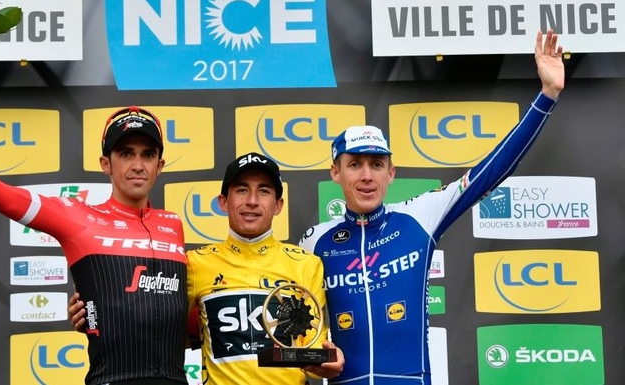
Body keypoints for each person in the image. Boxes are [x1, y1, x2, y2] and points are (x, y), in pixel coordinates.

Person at [298, 28, 567, 385]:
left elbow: (491, 170)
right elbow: (283, 344)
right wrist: (310, 360)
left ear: (391, 172)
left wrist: (547, 96)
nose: (367, 176)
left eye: (376, 165)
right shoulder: (314, 243)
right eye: (355, 164)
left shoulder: (418, 216)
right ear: (336, 172)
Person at [0, 85, 188, 385]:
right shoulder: (78, 217)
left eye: (147, 155)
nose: (137, 165)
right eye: (125, 153)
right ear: (106, 164)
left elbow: (183, 313)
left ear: (160, 166)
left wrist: (100, 310)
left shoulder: (173, 225)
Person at [71, 152, 345, 384]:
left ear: (278, 205)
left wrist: (325, 361)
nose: (252, 200)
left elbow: (313, 349)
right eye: (241, 190)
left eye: (264, 191)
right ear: (223, 203)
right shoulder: (194, 264)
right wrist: (99, 317)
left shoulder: (307, 264)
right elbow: (158, 329)